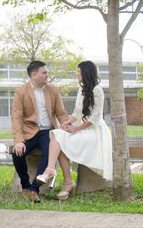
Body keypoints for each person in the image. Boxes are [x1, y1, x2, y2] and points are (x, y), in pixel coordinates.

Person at [36, 60, 113, 200]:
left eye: (78, 71)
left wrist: (76, 129)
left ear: (85, 72)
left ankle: (66, 182)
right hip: (81, 127)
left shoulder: (97, 90)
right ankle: (53, 171)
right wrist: (65, 123)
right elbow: (77, 114)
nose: (76, 74)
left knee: (61, 141)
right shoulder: (81, 89)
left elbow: (94, 117)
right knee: (57, 134)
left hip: (95, 131)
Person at [12, 60, 70, 202]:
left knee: (49, 153)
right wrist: (19, 141)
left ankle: (34, 189)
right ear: (34, 75)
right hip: (29, 131)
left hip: (48, 132)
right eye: (44, 73)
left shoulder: (53, 90)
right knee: (17, 153)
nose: (47, 75)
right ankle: (25, 186)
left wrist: (66, 125)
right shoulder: (21, 92)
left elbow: (61, 113)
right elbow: (16, 118)